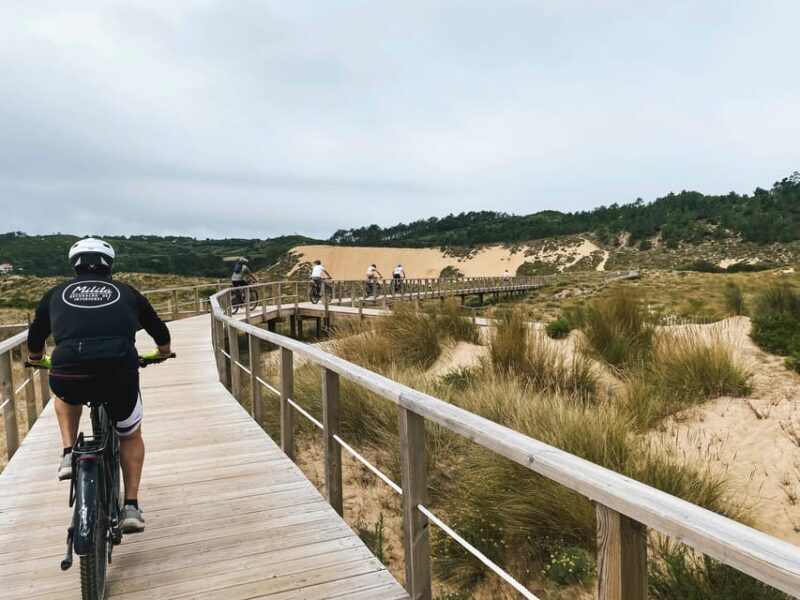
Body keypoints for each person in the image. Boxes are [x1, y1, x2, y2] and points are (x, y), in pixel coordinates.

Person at [26, 238, 172, 534]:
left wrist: (37, 359)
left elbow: (36, 337)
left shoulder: (56, 293)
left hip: (70, 373)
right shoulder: (127, 292)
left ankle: (68, 453)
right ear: (110, 265)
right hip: (119, 375)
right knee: (130, 435)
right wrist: (163, 352)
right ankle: (130, 506)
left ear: (74, 264)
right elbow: (159, 330)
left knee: (64, 394)